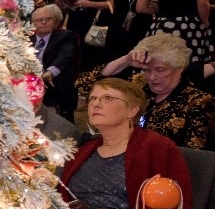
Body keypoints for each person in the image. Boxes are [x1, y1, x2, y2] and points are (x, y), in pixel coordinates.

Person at [54, 77, 192, 209]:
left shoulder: (158, 147)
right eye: (92, 99)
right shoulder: (84, 150)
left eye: (107, 98)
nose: (96, 104)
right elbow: (62, 199)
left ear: (132, 110)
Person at [78, 32, 214, 149]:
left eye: (160, 69)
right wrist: (125, 60)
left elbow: (195, 158)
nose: (152, 77)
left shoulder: (198, 102)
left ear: (180, 68)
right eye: (147, 70)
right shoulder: (138, 85)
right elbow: (83, 85)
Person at [31, 4, 79, 119]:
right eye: (39, 20)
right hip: (31, 83)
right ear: (33, 24)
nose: (44, 22)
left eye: (48, 19)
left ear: (55, 21)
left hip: (55, 83)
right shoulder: (26, 39)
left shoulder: (65, 36)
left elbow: (66, 56)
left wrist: (51, 72)